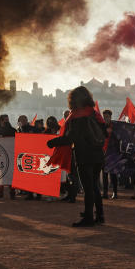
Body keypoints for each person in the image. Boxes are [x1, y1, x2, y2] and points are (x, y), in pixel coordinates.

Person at [47, 86, 106, 227]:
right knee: (95, 186)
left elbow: (70, 138)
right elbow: (105, 133)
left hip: (84, 155)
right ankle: (100, 215)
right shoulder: (94, 113)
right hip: (98, 155)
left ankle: (88, 218)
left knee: (88, 188)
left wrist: (52, 142)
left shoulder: (77, 116)